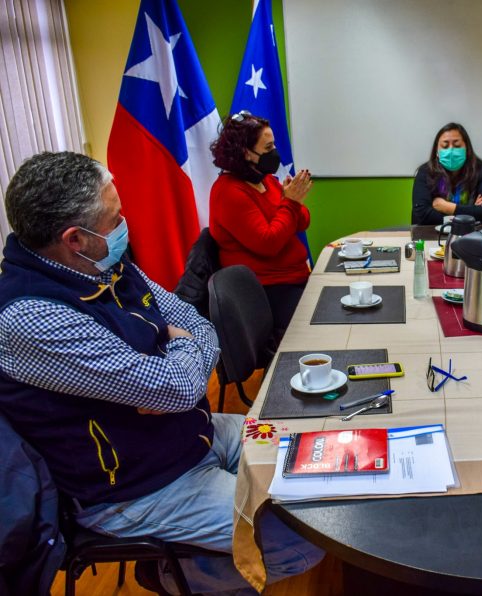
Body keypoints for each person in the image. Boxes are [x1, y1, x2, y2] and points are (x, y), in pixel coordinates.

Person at [0, 152, 323, 594]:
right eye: (114, 218)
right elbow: (181, 386)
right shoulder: (30, 317)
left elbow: (196, 324)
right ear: (74, 238)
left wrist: (177, 350)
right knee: (307, 539)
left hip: (192, 433)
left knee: (311, 460)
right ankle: (176, 575)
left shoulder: (106, 265)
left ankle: (206, 545)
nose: (124, 224)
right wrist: (178, 358)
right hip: (138, 486)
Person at [209, 111, 313, 344]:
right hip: (269, 290)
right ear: (246, 152)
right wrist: (291, 202)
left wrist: (292, 203)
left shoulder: (264, 180)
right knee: (322, 326)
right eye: (267, 148)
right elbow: (269, 243)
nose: (274, 153)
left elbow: (302, 221)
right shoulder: (228, 193)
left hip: (293, 278)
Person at [412, 122, 482, 226]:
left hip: (472, 236)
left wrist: (446, 207)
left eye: (457, 145)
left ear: (467, 149)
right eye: (445, 146)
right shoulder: (425, 172)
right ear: (437, 151)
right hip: (431, 235)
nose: (451, 150)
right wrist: (471, 213)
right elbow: (422, 215)